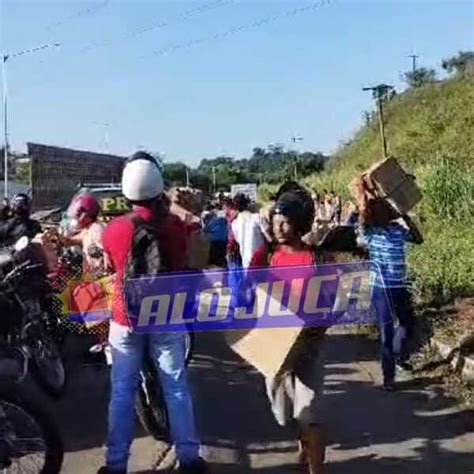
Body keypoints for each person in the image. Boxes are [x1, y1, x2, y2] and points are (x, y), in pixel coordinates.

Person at [99, 151, 205, 474]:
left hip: (125, 319)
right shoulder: (173, 226)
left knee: (121, 392)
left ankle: (115, 464)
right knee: (176, 386)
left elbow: (109, 267)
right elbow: (187, 255)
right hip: (166, 316)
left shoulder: (113, 230)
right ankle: (188, 458)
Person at [250, 190, 327, 474]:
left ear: (300, 224)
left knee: (309, 412)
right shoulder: (267, 256)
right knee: (284, 414)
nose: (278, 228)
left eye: (285, 222)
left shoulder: (316, 259)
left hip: (308, 345)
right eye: (275, 222)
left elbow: (334, 301)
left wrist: (315, 321)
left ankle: (315, 466)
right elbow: (250, 289)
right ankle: (302, 448)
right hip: (276, 347)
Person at [354, 177, 423, 391]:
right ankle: (388, 377)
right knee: (386, 332)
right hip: (381, 290)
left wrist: (404, 214)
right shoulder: (370, 233)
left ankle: (398, 356)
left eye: (387, 209)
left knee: (407, 325)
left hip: (399, 286)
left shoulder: (396, 230)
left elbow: (418, 239)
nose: (385, 212)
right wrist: (362, 193)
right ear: (375, 214)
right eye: (381, 209)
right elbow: (363, 217)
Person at [58, 192, 105, 277]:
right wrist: (58, 236)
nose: (76, 218)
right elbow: (71, 241)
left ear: (86, 216)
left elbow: (104, 254)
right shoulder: (87, 229)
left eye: (78, 215)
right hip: (91, 276)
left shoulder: (96, 229)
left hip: (99, 277)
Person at [231, 193, 264, 269]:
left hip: (245, 262)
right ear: (248, 204)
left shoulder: (234, 223)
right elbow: (269, 238)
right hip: (261, 260)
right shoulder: (256, 218)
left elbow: (238, 240)